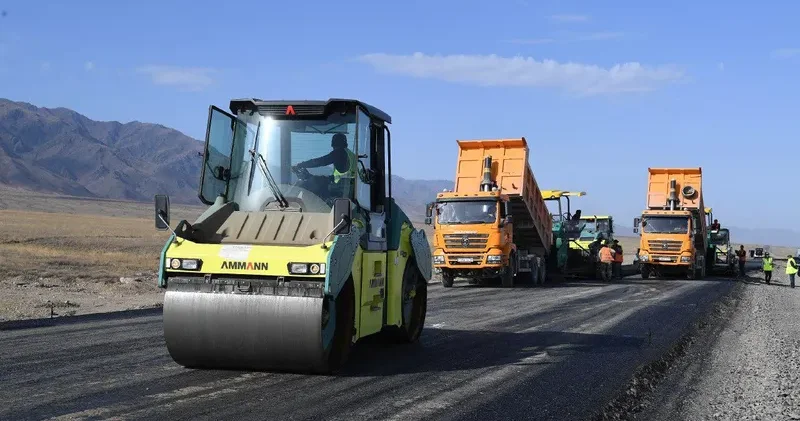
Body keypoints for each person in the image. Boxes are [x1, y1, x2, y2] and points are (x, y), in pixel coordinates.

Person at [292, 133, 357, 195]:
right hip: (350, 186)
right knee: (317, 180)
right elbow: (339, 176)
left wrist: (300, 165)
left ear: (333, 144)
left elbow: (320, 161)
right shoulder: (350, 155)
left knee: (304, 185)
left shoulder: (339, 152)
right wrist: (311, 176)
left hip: (342, 188)